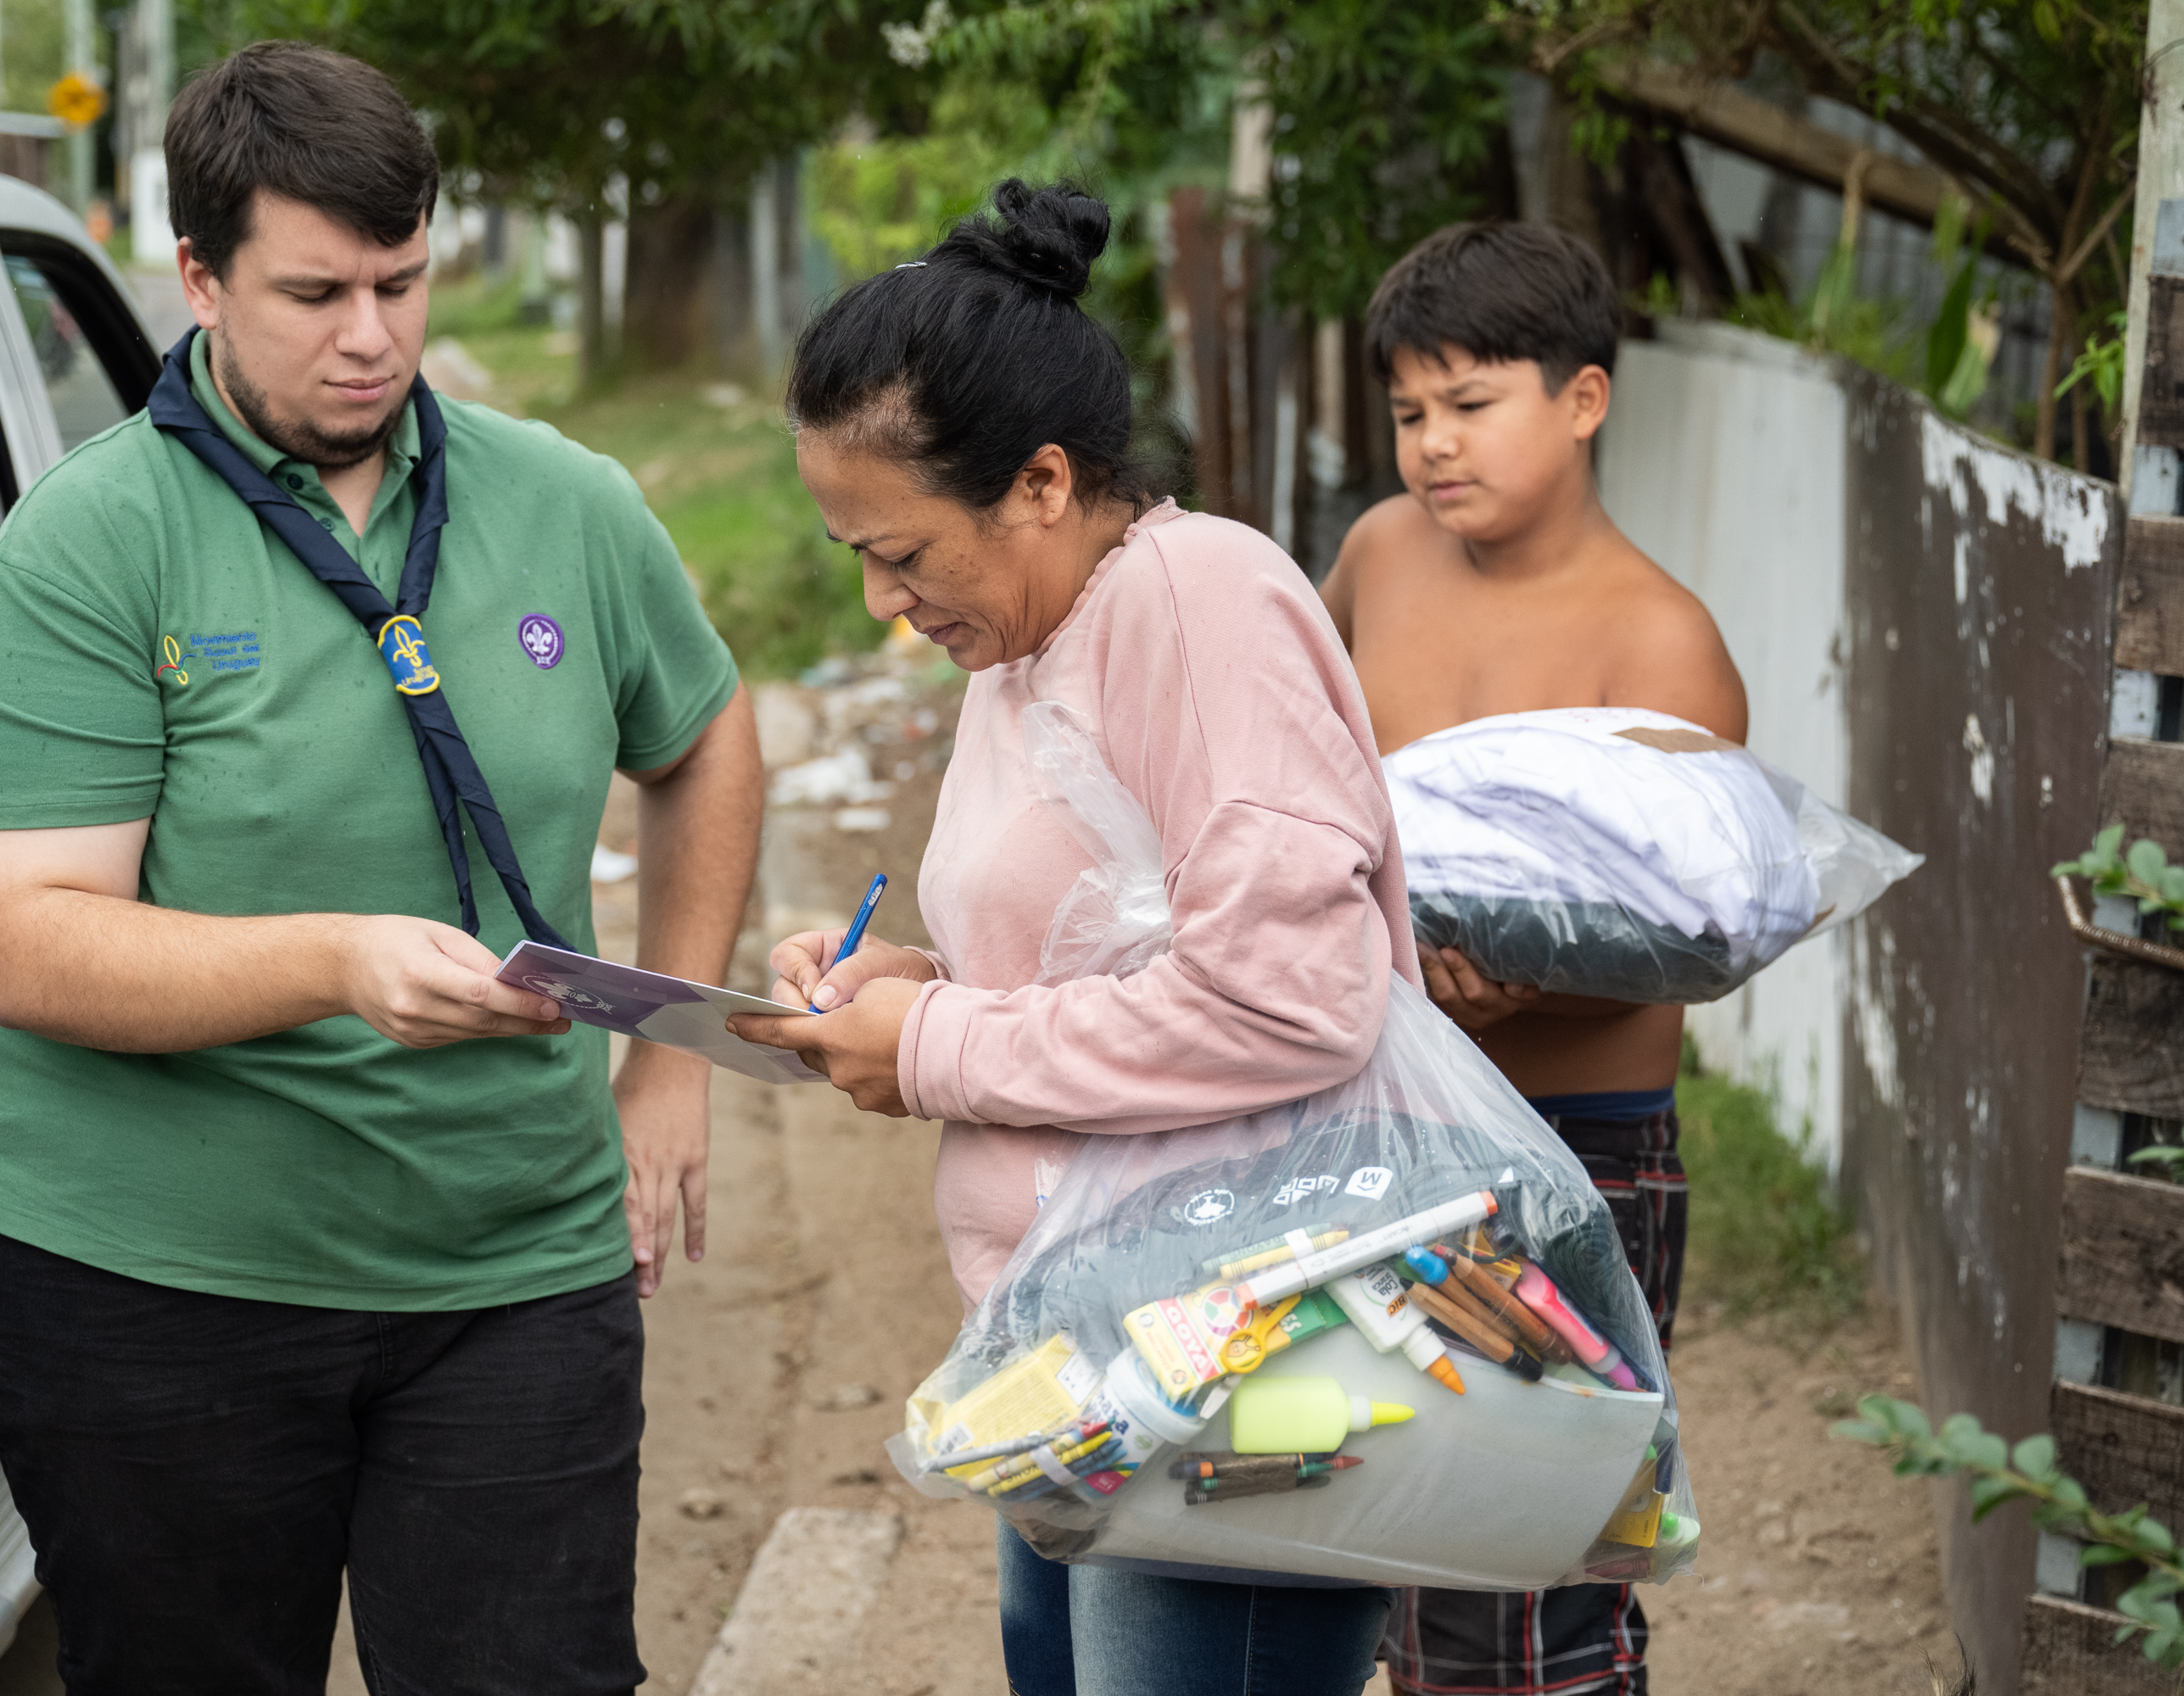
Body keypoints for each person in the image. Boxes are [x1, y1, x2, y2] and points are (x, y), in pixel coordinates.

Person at [0, 42, 761, 1695]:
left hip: (512, 1260)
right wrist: (338, 962)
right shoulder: (86, 547)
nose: (371, 336)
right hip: (155, 1280)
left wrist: (667, 1065)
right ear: (202, 279)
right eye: (314, 292)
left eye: (403, 280)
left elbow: (706, 739)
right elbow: (23, 945)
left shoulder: (566, 503)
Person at [723, 180, 1418, 1696]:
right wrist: (908, 986)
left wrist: (937, 1044)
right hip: (1087, 1348)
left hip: (1242, 1362)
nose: (880, 601)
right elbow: (1112, 956)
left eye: (903, 554)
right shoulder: (1036, 637)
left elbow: (1294, 1004)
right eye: (855, 553)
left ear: (1041, 481)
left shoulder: (1198, 603)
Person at [1317, 221, 1748, 1696]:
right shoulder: (1377, 556)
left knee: (1540, 1572)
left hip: (1573, 1157)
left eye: (1472, 403)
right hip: (1375, 1121)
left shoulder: (1662, 643)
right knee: (1379, 1536)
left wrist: (1529, 979)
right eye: (1409, 413)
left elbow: (1692, 931)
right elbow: (1293, 764)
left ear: (1583, 399)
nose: (1435, 445)